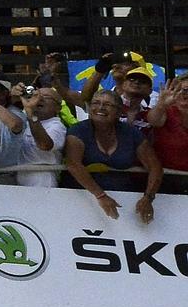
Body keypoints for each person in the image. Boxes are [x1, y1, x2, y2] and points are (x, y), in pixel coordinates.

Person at [64, 90, 161, 218]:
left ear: (120, 112)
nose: (100, 107)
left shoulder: (131, 133)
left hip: (126, 199)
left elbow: (155, 167)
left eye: (108, 104)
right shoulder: (77, 130)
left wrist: (148, 198)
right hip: (82, 198)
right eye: (96, 103)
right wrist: (101, 196)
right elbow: (73, 164)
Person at [148, 78, 188, 190]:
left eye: (186, 90)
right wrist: (161, 105)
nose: (182, 94)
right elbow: (153, 121)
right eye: (178, 90)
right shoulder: (166, 112)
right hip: (164, 180)